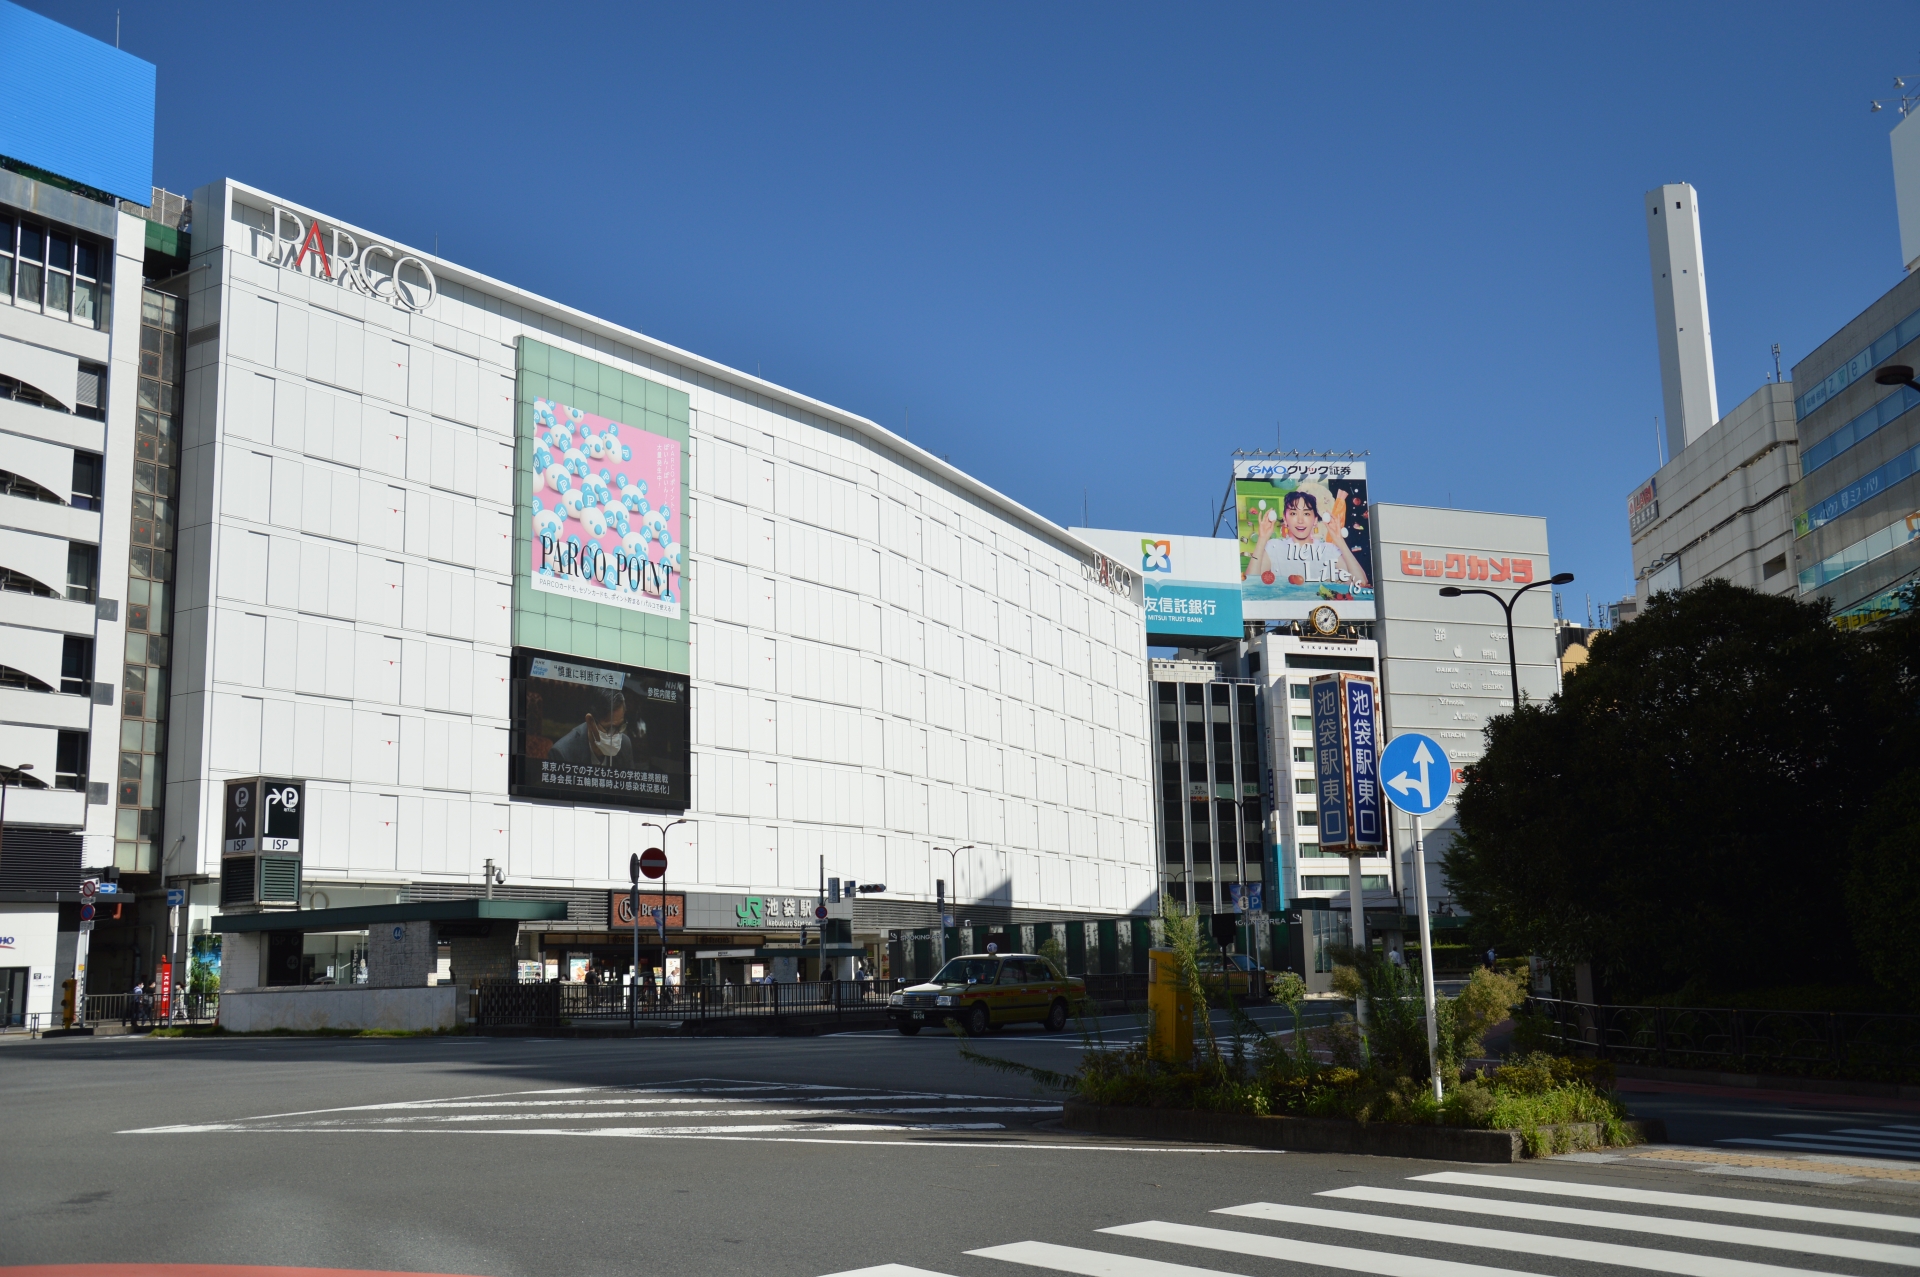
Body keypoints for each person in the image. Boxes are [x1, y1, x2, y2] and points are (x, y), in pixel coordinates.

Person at [548, 684, 641, 769]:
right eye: (610, 728)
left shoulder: (625, 745)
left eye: (620, 727)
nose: (616, 736)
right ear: (590, 721)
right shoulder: (562, 754)